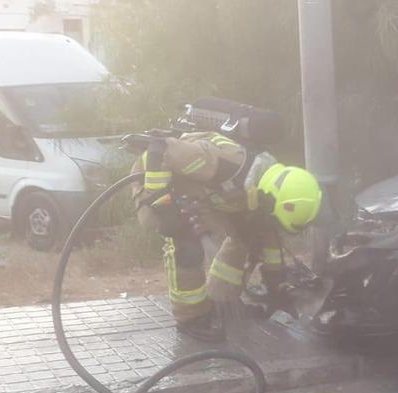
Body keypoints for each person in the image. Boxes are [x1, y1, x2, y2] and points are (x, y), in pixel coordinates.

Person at [130, 130, 323, 342]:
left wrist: (276, 287)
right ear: (271, 200)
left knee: (251, 232)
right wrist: (162, 205)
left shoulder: (264, 183)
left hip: (203, 192)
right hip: (154, 176)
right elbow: (159, 148)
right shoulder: (215, 161)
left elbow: (269, 235)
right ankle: (191, 317)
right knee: (185, 241)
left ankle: (221, 300)